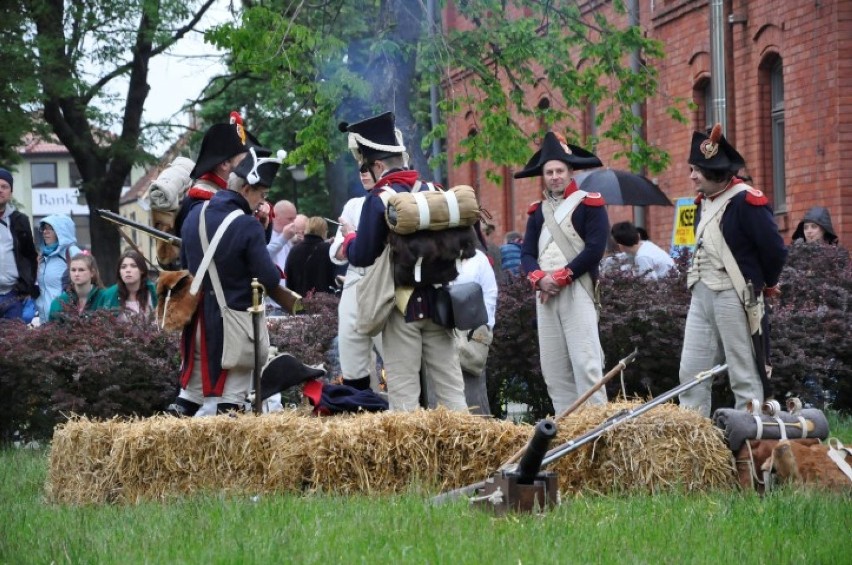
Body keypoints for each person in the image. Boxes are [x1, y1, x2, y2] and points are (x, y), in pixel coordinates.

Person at [338, 111, 474, 411]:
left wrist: (349, 238)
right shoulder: (433, 190)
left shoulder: (380, 197)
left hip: (402, 308)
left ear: (377, 165)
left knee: (404, 399)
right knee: (453, 393)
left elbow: (361, 256)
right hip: (441, 305)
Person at [678, 123, 787, 417]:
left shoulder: (746, 201)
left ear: (713, 172)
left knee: (744, 374)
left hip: (732, 294)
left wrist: (766, 284)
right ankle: (693, 440)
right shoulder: (705, 203)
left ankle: (752, 442)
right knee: (691, 372)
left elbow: (775, 250)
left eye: (696, 170)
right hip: (700, 294)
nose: (692, 176)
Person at [167, 146, 284, 417]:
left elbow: (185, 265)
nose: (262, 202)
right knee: (231, 399)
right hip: (232, 325)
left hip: (196, 323)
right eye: (261, 195)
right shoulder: (247, 225)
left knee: (190, 396)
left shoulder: (193, 214)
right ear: (246, 189)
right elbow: (268, 278)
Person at [516, 131, 609, 414]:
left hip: (577, 289)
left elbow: (594, 250)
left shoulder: (589, 203)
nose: (555, 176)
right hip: (545, 294)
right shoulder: (537, 212)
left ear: (570, 172)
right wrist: (539, 279)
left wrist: (560, 277)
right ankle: (566, 428)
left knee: (586, 365)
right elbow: (528, 253)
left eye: (559, 171)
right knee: (554, 370)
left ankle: (595, 427)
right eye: (549, 172)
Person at [168, 112, 260, 263]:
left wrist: (262, 223)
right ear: (224, 164)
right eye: (243, 161)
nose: (248, 167)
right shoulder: (200, 199)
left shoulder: (231, 195)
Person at [329, 165, 384, 391]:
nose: (362, 172)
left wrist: (354, 238)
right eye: (360, 167)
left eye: (368, 166)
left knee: (395, 355)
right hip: (354, 280)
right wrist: (353, 241)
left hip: (383, 281)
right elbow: (338, 254)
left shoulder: (396, 199)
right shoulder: (353, 205)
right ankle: (361, 407)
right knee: (351, 350)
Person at [453, 248, 498, 415]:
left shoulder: (478, 258)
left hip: (471, 336)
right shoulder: (432, 252)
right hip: (439, 335)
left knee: (474, 398)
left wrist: (483, 331)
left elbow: (490, 293)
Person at [0, 167, 38, 321]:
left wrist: (26, 287)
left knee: (14, 342)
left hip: (13, 295)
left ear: (11, 192)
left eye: (4, 187)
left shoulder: (20, 220)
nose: (0, 190)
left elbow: (30, 255)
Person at [35, 214, 82, 323]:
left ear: (62, 232)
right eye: (44, 228)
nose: (45, 232)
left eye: (50, 228)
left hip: (65, 321)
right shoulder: (43, 255)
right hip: (44, 321)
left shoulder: (72, 253)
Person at [97, 249, 157, 320]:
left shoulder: (154, 292)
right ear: (119, 272)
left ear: (142, 270)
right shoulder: (109, 295)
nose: (128, 270)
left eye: (133, 266)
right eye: (123, 267)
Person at [284, 216, 337, 296]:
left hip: (298, 301)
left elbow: (288, 276)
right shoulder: (328, 250)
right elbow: (334, 277)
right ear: (324, 231)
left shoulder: (294, 249)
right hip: (323, 302)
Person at [48, 253, 104, 321]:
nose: (76, 274)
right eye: (73, 270)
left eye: (81, 270)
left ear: (92, 273)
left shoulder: (104, 298)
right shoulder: (59, 302)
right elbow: (51, 328)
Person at [610, 221, 675, 279]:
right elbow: (623, 256)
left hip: (668, 287)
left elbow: (649, 284)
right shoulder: (645, 244)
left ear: (621, 245)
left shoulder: (642, 257)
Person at [267, 200, 307, 273]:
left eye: (294, 219)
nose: (293, 223)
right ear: (275, 216)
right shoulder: (264, 233)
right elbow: (262, 255)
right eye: (290, 219)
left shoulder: (289, 237)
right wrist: (283, 238)